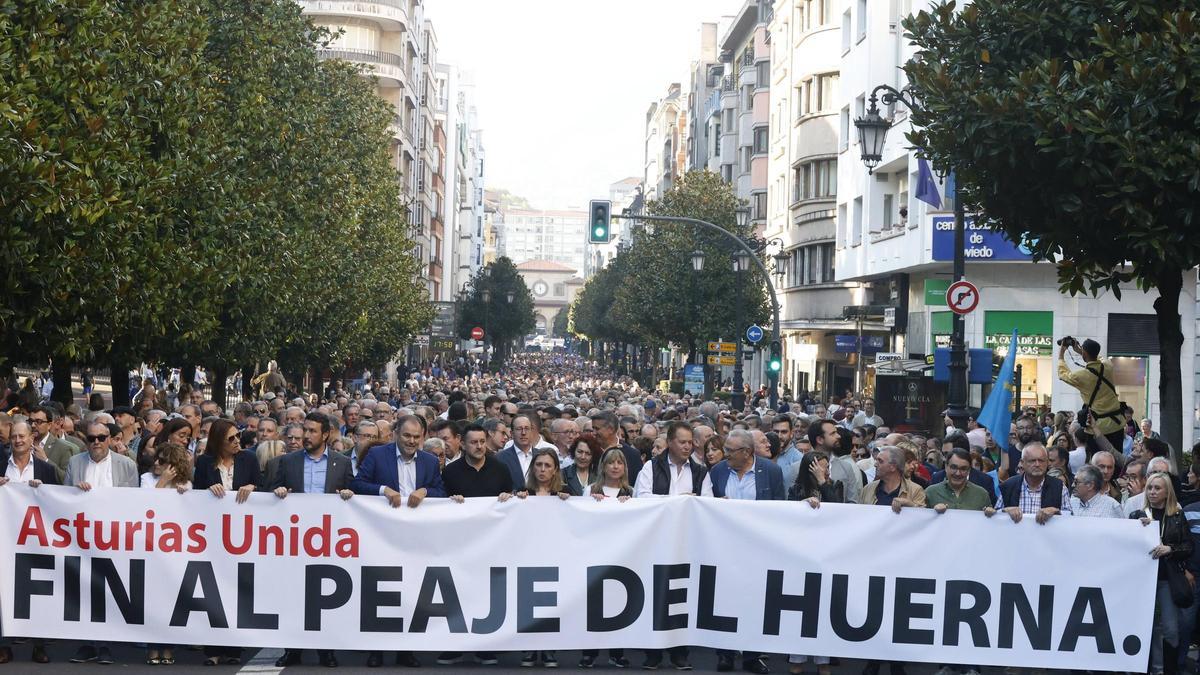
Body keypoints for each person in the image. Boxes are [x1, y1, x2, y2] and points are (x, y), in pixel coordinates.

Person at [270, 412, 352, 668]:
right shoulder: (288, 462)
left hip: (329, 541)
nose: (306, 436)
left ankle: (325, 650)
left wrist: (350, 494)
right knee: (293, 595)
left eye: (312, 431)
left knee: (325, 598)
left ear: (325, 434)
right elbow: (269, 493)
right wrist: (278, 492)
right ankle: (292, 648)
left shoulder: (341, 462)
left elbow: (354, 495)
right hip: (295, 540)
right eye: (305, 430)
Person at [699, 429, 782, 675]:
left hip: (758, 547)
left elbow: (780, 507)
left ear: (747, 452)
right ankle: (725, 654)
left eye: (730, 451)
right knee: (724, 600)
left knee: (755, 601)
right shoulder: (718, 471)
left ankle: (752, 655)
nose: (725, 455)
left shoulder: (770, 471)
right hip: (725, 546)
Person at [437, 423, 512, 667]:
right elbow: (438, 505)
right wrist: (450, 502)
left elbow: (513, 505)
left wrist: (508, 499)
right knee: (457, 593)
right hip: (458, 545)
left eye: (482, 441)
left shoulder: (501, 469)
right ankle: (454, 646)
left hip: (493, 545)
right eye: (473, 442)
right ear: (463, 443)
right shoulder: (450, 472)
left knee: (487, 595)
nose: (479, 446)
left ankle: (485, 647)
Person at [0, 420, 56, 665]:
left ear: (31, 438)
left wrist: (43, 491)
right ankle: (4, 646)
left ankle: (39, 645)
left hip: (36, 541)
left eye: (22, 436)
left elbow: (59, 503)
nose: (18, 441)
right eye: (14, 437)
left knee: (38, 592)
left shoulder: (45, 470)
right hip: (5, 539)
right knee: (3, 592)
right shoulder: (1, 466)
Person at [1133, 472, 1193, 675]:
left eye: (1157, 488)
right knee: (1144, 627)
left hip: (1168, 580)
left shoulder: (1176, 514)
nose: (1152, 492)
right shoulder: (1137, 515)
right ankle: (1147, 669)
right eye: (1149, 487)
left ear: (1167, 491)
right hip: (1142, 582)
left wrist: (1170, 549)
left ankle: (1170, 669)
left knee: (1170, 629)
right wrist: (1137, 530)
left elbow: (1188, 546)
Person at [1057, 337, 1124, 448]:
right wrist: (1081, 351)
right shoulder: (1108, 366)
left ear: (1085, 353)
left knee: (1097, 460)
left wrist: (1062, 352)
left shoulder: (1081, 376)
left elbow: (1062, 374)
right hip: (1117, 424)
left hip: (1097, 427)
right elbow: (1100, 358)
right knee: (1117, 460)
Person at [985, 443, 1072, 524]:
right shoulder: (1008, 486)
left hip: (1047, 539)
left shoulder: (1059, 487)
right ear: (1022, 463)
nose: (1037, 464)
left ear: (1047, 462)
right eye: (1032, 461)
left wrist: (1055, 511)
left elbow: (1070, 517)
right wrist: (1006, 510)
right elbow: (995, 516)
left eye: (1041, 460)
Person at [860, 446, 927, 512]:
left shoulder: (915, 490)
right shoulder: (868, 489)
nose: (875, 464)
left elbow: (922, 517)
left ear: (893, 467)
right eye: (876, 460)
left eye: (880, 461)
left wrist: (910, 505)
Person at [926, 449, 991, 513]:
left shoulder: (982, 495)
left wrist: (990, 514)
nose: (958, 473)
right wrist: (933, 513)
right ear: (946, 467)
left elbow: (990, 521)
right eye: (954, 467)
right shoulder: (930, 493)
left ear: (969, 471)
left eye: (963, 469)